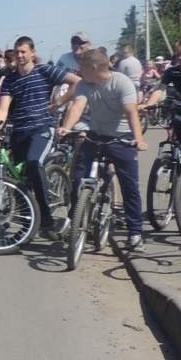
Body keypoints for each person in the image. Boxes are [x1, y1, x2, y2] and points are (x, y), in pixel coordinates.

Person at [58, 49, 147, 252]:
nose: (79, 72)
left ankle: (135, 232)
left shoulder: (121, 82)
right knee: (78, 176)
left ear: (95, 67)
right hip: (96, 134)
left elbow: (132, 112)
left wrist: (138, 139)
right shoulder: (84, 84)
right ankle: (75, 219)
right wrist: (67, 127)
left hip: (122, 137)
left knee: (129, 185)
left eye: (82, 68)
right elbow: (77, 107)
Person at [0, 36, 80, 240]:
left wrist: (59, 101)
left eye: (24, 51)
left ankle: (48, 222)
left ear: (32, 52)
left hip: (42, 128)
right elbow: (3, 108)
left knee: (34, 164)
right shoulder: (10, 79)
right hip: (19, 132)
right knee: (21, 180)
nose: (20, 56)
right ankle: (28, 227)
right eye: (17, 52)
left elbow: (77, 82)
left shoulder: (44, 71)